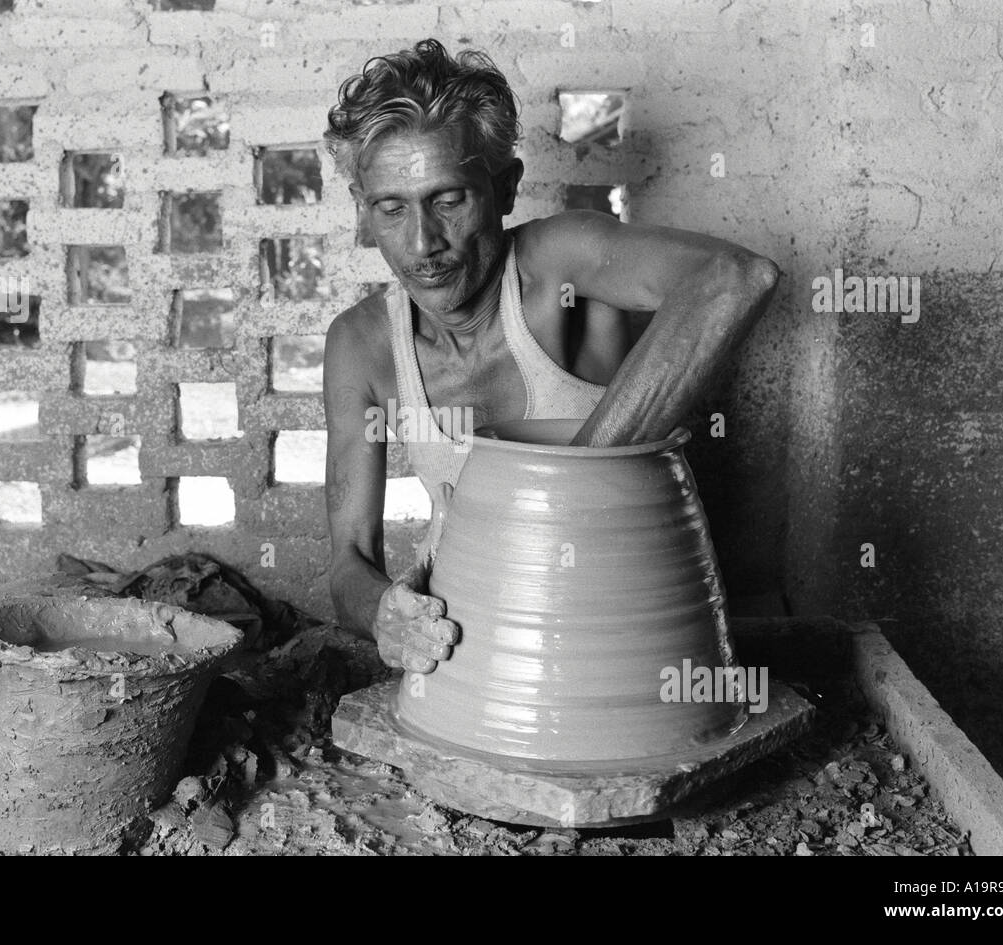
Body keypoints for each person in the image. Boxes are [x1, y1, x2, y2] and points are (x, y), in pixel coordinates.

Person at [321, 39, 779, 674]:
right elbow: (349, 561)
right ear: (363, 212)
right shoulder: (359, 344)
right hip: (463, 654)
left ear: (505, 187)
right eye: (391, 209)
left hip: (626, 646)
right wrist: (384, 616)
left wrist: (568, 488)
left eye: (449, 200)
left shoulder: (559, 262)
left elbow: (736, 277)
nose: (422, 243)